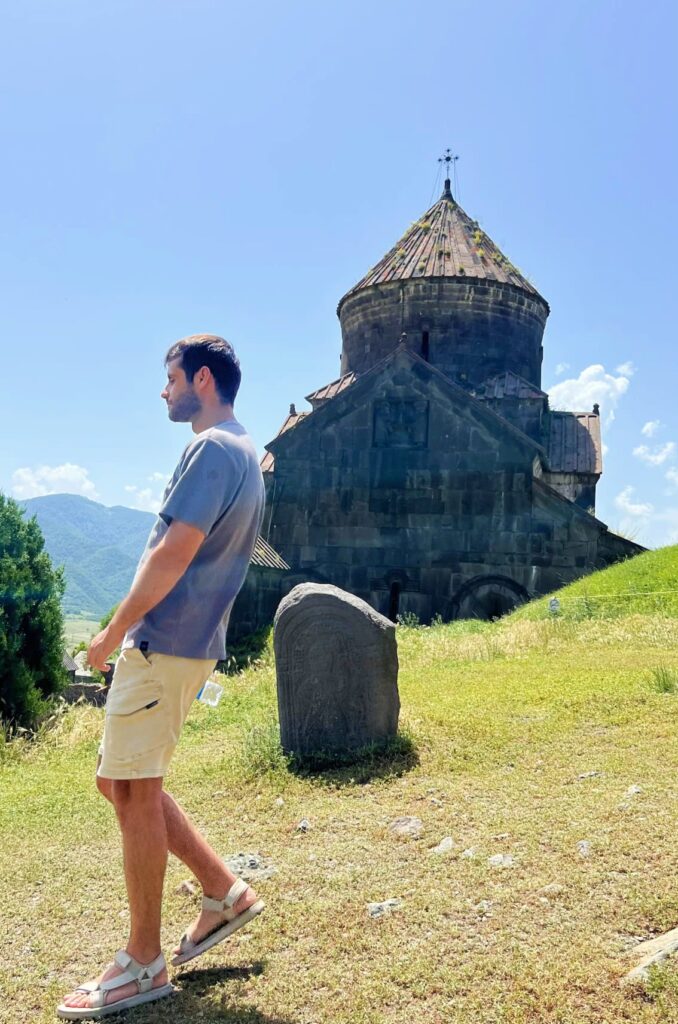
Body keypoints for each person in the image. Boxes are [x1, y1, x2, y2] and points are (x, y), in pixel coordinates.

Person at [58, 335, 266, 1019]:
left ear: (201, 380)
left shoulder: (212, 450)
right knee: (118, 781)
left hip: (165, 640)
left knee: (135, 789)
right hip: (185, 643)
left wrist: (115, 629)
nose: (163, 390)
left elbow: (175, 551)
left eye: (170, 377)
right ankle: (224, 891)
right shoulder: (244, 452)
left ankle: (143, 962)